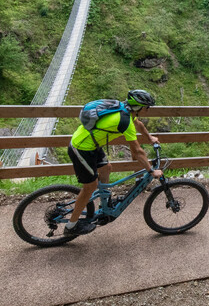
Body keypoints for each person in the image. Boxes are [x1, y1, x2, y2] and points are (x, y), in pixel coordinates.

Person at [64, 89, 161, 236]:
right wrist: (151, 171)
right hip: (81, 148)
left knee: (106, 168)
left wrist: (150, 138)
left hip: (92, 143)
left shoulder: (126, 111)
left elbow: (138, 124)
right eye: (147, 107)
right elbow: (137, 151)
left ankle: (105, 204)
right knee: (90, 187)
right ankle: (71, 226)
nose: (148, 109)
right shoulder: (124, 120)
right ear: (139, 107)